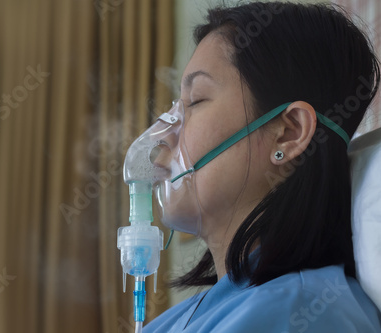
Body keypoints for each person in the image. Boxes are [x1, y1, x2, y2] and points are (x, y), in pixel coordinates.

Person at [142, 2, 381, 332]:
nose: (161, 136)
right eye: (175, 107)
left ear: (289, 132)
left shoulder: (297, 315)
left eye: (195, 100)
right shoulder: (191, 315)